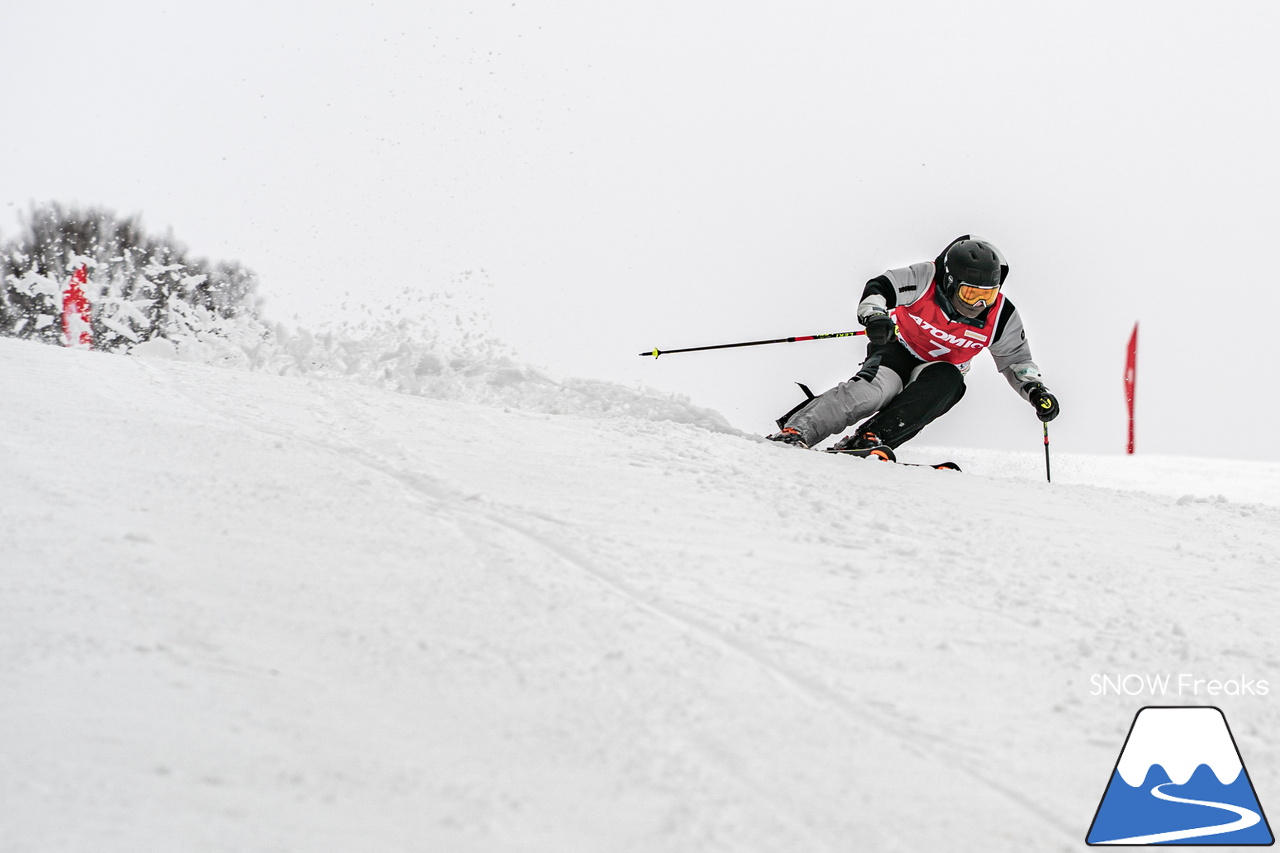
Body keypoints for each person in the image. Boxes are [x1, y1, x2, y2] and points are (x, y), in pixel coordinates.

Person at [768, 235, 1059, 455]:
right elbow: (880, 288)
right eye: (970, 294)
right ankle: (799, 430)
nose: (980, 304)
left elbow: (1016, 361)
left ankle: (871, 440)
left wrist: (1035, 390)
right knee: (872, 393)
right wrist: (875, 316)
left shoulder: (1002, 316)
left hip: (937, 371)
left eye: (989, 295)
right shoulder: (926, 277)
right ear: (949, 281)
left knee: (950, 382)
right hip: (899, 349)